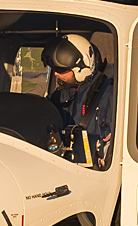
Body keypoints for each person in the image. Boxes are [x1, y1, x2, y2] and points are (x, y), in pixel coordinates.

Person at [43, 34, 114, 168]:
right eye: (54, 68)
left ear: (81, 68)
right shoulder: (59, 95)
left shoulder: (107, 96)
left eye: (61, 69)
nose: (56, 74)